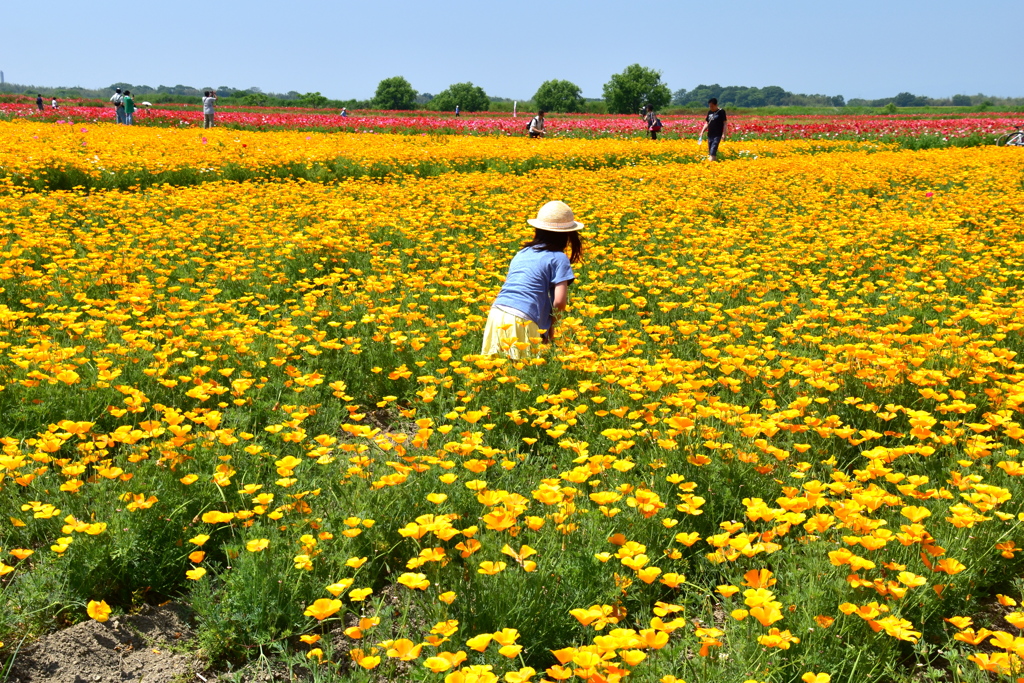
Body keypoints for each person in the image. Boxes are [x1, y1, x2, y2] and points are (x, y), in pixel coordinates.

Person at [481, 200, 584, 358]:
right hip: (523, 319)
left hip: (497, 313)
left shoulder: (522, 253)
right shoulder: (558, 258)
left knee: (498, 369)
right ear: (567, 235)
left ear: (538, 230)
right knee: (522, 372)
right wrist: (551, 325)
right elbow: (559, 302)